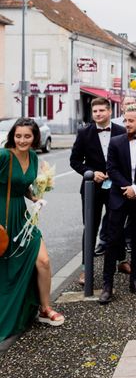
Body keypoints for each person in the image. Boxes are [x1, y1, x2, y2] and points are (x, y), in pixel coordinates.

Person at [0, 118, 65, 341]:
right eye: (18, 136)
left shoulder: (34, 156)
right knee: (5, 266)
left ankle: (45, 308)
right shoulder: (3, 156)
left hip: (22, 216)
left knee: (43, 261)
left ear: (35, 137)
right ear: (12, 136)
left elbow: (23, 185)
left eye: (27, 136)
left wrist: (35, 197)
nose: (22, 140)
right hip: (1, 217)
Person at [99, 107, 136, 304]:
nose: (126, 124)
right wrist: (127, 187)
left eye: (131, 121)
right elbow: (111, 168)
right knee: (112, 240)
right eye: (125, 120)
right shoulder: (116, 142)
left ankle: (135, 281)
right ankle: (107, 285)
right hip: (118, 197)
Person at [69, 97, 128, 285]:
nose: (98, 114)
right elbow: (75, 160)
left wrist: (117, 175)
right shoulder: (84, 133)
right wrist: (90, 173)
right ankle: (86, 269)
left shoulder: (121, 131)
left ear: (110, 111)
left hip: (116, 187)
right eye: (95, 111)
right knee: (90, 227)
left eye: (102, 110)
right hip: (91, 187)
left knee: (116, 224)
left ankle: (121, 261)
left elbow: (127, 159)